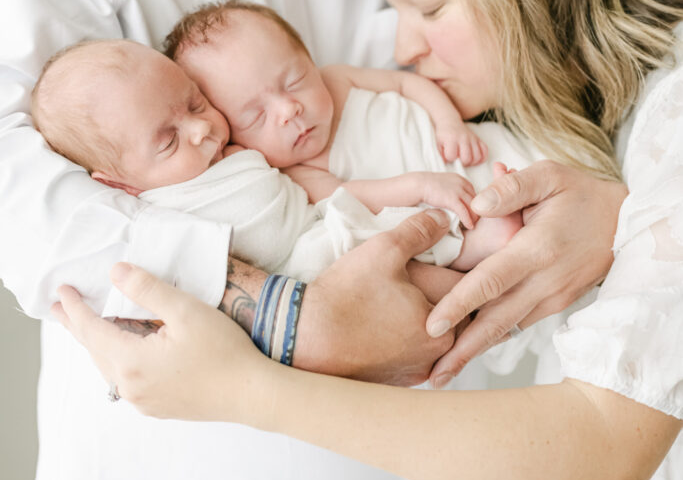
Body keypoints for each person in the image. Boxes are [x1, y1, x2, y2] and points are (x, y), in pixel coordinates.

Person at [56, 0, 683, 480]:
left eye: (429, 7)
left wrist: (248, 390)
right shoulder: (546, 117)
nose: (402, 48)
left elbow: (601, 456)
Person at [31, 35, 504, 282]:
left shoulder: (242, 151)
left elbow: (331, 197)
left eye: (196, 103)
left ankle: (476, 245)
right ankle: (473, 251)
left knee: (371, 232)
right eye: (168, 142)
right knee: (373, 255)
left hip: (320, 228)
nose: (201, 129)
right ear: (120, 183)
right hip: (298, 274)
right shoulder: (160, 213)